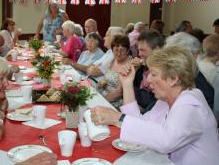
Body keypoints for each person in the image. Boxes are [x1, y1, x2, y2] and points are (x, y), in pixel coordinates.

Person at [91, 46, 219, 165]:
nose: (148, 80)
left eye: (154, 74)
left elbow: (166, 141)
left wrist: (117, 118)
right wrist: (127, 84)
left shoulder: (191, 104)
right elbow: (138, 124)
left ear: (173, 79)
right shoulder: (165, 101)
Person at [166, 32, 214, 109]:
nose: (168, 61)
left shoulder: (199, 88)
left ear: (194, 55)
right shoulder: (179, 76)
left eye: (175, 56)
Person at [132, 29, 165, 112]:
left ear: (156, 50)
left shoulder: (165, 73)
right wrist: (133, 73)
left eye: (142, 50)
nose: (139, 54)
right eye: (138, 50)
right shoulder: (141, 68)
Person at [98, 35, 131, 109]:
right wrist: (102, 83)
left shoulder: (130, 65)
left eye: (122, 50)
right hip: (104, 95)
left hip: (116, 102)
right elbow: (105, 79)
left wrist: (101, 102)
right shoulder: (113, 60)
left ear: (128, 50)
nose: (118, 54)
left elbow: (120, 92)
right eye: (116, 50)